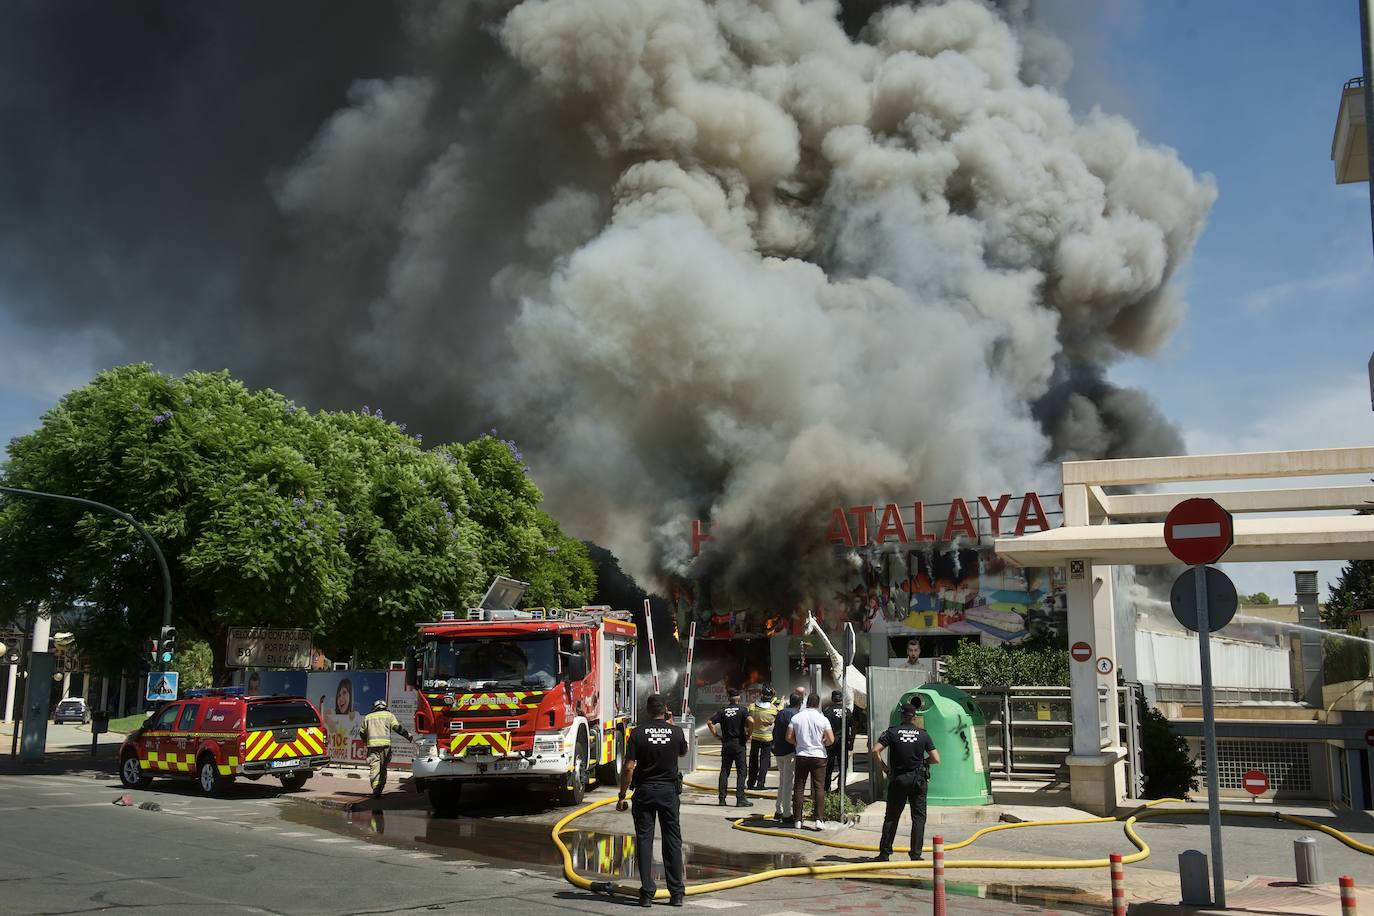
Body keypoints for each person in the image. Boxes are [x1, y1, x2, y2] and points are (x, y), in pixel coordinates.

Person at [617, 693, 687, 908]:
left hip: (645, 792)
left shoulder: (637, 733)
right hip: (668, 793)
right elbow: (683, 753)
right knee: (672, 841)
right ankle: (676, 894)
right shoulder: (676, 732)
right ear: (665, 709)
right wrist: (672, 726)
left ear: (647, 711)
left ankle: (647, 893)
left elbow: (628, 768)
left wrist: (622, 795)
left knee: (645, 840)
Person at [870, 701, 940, 862]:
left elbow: (875, 750)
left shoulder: (892, 732)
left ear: (902, 716)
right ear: (914, 717)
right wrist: (924, 762)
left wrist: (885, 768)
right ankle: (916, 854)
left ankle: (885, 853)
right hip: (918, 780)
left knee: (892, 817)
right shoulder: (923, 734)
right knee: (919, 817)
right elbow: (936, 759)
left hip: (898, 779)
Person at [786, 693, 834, 830]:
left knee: (799, 787)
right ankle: (819, 820)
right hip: (819, 755)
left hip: (802, 754)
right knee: (819, 787)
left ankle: (797, 820)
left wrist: (798, 744)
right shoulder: (822, 719)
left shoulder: (796, 717)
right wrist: (822, 743)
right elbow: (831, 739)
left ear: (806, 703)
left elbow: (788, 736)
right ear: (818, 704)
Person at [356, 699, 413, 797]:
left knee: (374, 768)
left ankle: (375, 788)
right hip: (385, 748)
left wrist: (366, 741)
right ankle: (380, 787)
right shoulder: (389, 715)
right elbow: (397, 728)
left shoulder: (368, 717)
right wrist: (408, 735)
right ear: (385, 707)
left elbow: (361, 732)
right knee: (383, 768)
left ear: (374, 707)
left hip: (372, 747)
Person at [707, 688, 752, 807]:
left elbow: (709, 722)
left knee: (725, 771)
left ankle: (722, 799)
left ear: (729, 698)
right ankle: (740, 799)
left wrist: (717, 736)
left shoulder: (723, 711)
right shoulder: (743, 710)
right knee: (742, 772)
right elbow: (751, 720)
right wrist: (749, 734)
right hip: (739, 744)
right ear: (738, 698)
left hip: (726, 743)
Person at [771, 690, 803, 826]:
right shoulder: (796, 715)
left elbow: (774, 731)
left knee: (783, 781)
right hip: (789, 751)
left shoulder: (781, 713)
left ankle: (778, 810)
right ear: (800, 704)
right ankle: (786, 814)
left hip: (778, 751)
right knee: (788, 783)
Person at [746, 685, 782, 789]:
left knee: (753, 760)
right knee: (764, 761)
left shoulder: (752, 707)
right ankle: (761, 783)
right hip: (767, 739)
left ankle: (750, 783)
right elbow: (777, 714)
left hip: (754, 738)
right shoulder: (773, 709)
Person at [822, 690, 855, 792]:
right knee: (843, 767)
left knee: (828, 767)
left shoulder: (827, 711)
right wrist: (851, 743)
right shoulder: (847, 711)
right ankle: (841, 789)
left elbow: (822, 728)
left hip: (830, 742)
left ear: (832, 699)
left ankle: (827, 789)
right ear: (842, 699)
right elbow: (853, 728)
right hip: (843, 742)